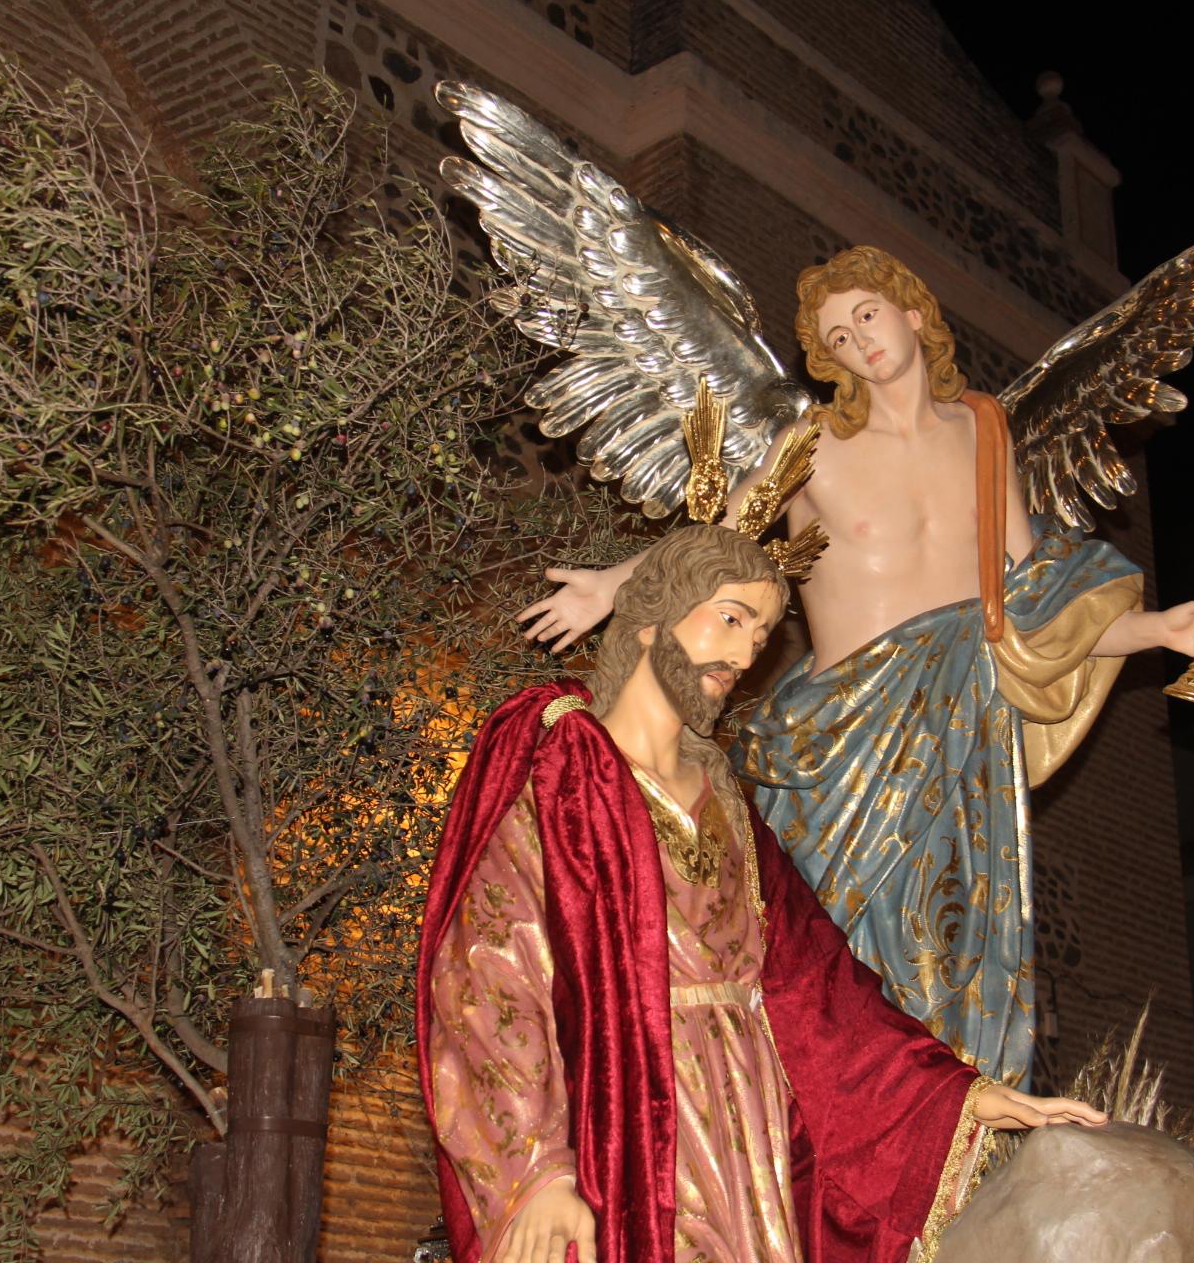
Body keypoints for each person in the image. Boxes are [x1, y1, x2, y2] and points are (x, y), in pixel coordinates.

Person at [515, 247, 1194, 1084]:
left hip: (960, 743)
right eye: (836, 338)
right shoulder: (814, 443)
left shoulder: (985, 434)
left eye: (866, 316)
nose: (858, 341)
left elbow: (1032, 606)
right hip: (837, 748)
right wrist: (611, 586)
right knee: (817, 956)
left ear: (914, 314)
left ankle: (943, 1136)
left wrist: (1157, 629)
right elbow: (718, 541)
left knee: (943, 961)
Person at [419, 523, 1108, 1263]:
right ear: (652, 618)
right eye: (730, 619)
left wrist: (959, 1095)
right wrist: (537, 1170)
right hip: (623, 1119)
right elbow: (488, 977)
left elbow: (819, 989)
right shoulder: (562, 768)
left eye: (760, 635)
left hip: (749, 1136)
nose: (746, 656)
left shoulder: (727, 802)